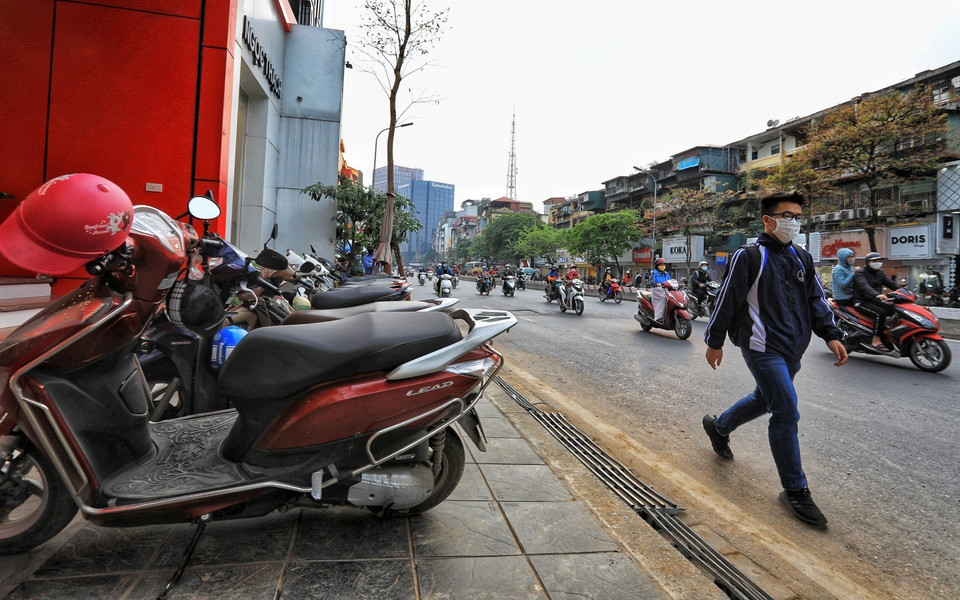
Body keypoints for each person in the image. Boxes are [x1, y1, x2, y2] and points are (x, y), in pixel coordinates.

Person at [702, 191, 847, 528]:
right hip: (760, 346)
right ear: (767, 220)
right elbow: (727, 298)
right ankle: (795, 489)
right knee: (785, 409)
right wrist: (714, 340)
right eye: (786, 215)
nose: (793, 222)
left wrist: (832, 333)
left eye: (797, 216)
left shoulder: (802, 257)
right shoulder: (748, 256)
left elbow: (816, 300)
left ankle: (719, 426)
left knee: (764, 399)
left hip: (793, 348)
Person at [852, 252, 900, 350]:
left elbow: (892, 284)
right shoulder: (860, 273)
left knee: (894, 309)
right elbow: (865, 286)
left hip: (875, 300)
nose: (878, 263)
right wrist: (877, 294)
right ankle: (876, 339)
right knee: (880, 313)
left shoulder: (880, 273)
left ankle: (888, 335)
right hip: (861, 301)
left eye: (879, 261)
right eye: (875, 261)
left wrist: (908, 292)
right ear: (868, 262)